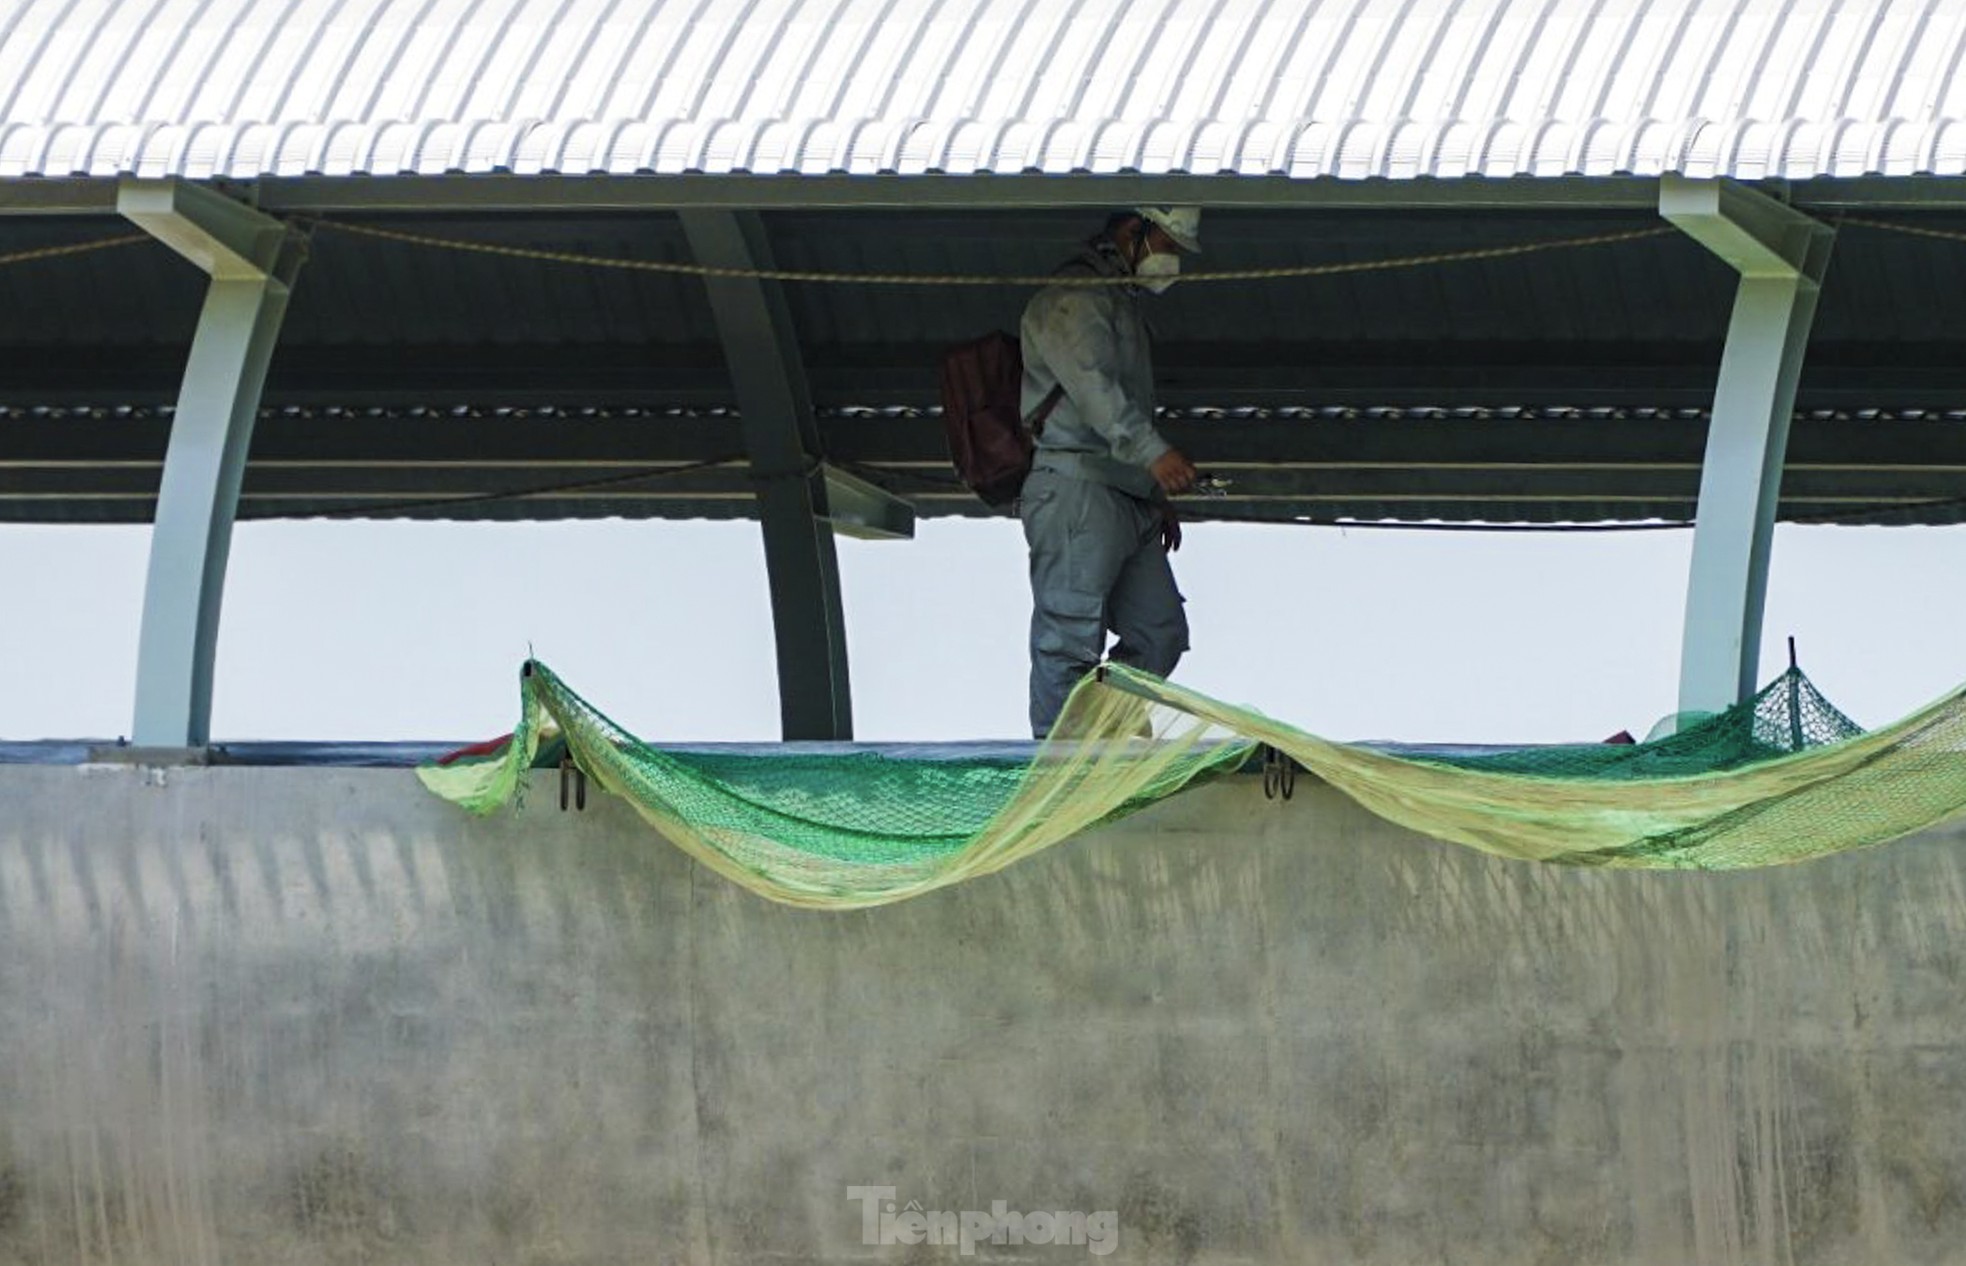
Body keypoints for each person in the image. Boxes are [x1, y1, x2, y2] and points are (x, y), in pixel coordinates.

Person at [1016, 207, 1202, 739]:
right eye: (1168, 243)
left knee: (1159, 634)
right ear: (1132, 230)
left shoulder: (1116, 300)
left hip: (1124, 494)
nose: (1172, 260)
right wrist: (1154, 455)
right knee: (1069, 639)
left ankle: (1104, 732)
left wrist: (1152, 488)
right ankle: (1058, 778)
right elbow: (1096, 391)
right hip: (1078, 487)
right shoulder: (1074, 297)